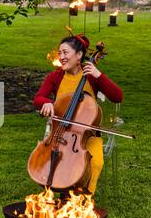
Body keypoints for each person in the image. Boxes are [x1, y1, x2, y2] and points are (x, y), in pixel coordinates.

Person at [33, 34, 123, 194]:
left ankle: (83, 201)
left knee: (95, 163)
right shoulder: (56, 76)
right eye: (59, 53)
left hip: (86, 135)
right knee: (57, 159)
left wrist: (99, 75)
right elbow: (38, 98)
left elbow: (118, 96)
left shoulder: (92, 77)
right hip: (59, 132)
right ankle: (65, 195)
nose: (61, 57)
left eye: (65, 53)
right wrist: (45, 102)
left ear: (79, 55)